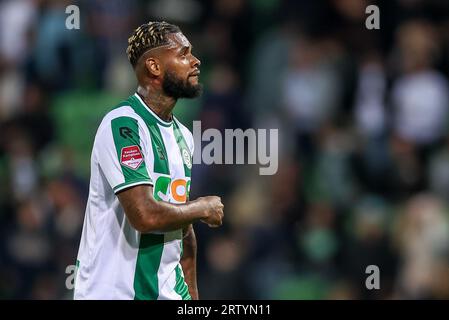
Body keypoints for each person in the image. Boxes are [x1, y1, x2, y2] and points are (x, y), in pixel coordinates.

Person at [73, 21, 224, 300]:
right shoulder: (123, 125)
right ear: (154, 67)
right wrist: (202, 207)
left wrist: (191, 296)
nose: (195, 61)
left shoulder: (184, 137)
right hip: (113, 293)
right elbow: (144, 215)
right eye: (183, 53)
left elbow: (181, 224)